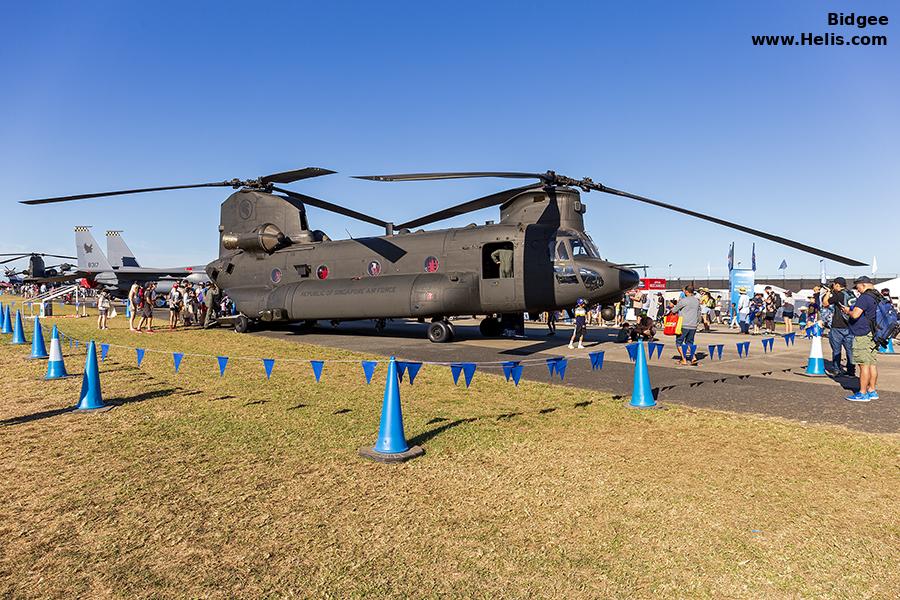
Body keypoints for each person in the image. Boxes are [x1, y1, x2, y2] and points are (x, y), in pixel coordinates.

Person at [842, 276, 880, 401]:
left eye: (858, 287)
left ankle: (862, 393)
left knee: (863, 365)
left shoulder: (864, 298)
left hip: (863, 334)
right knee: (872, 364)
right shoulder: (878, 296)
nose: (857, 290)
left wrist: (848, 311)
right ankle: (872, 390)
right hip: (875, 334)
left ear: (863, 285)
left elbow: (856, 314)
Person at [821, 277, 855, 377]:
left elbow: (825, 303)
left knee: (836, 350)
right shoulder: (850, 294)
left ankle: (836, 369)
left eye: (834, 284)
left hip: (838, 326)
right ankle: (851, 371)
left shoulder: (838, 294)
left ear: (837, 285)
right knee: (850, 351)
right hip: (850, 326)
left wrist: (828, 292)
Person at [670, 284, 701, 366]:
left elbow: (674, 310)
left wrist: (673, 306)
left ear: (686, 291)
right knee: (690, 342)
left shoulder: (684, 300)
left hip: (683, 325)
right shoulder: (697, 301)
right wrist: (697, 323)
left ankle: (683, 359)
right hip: (693, 325)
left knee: (679, 342)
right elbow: (699, 314)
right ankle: (693, 357)